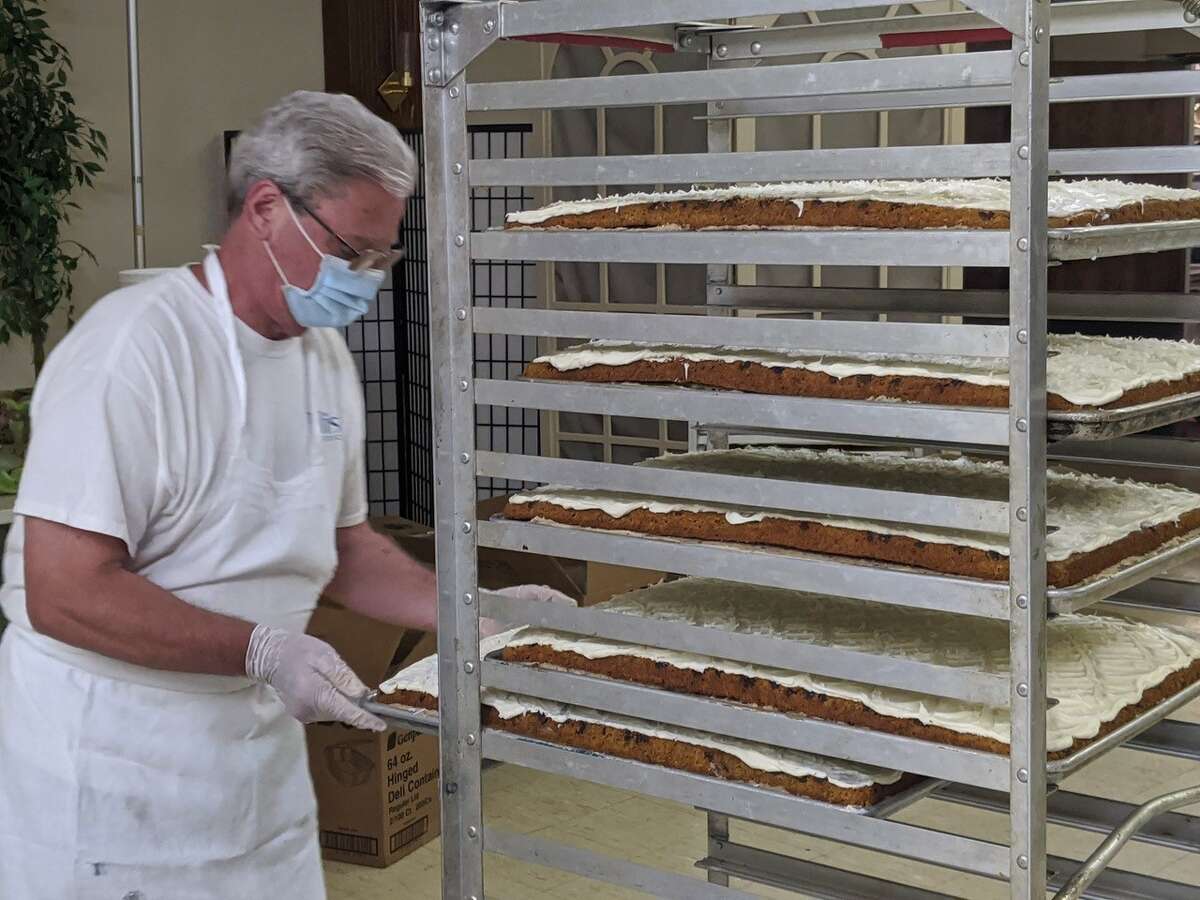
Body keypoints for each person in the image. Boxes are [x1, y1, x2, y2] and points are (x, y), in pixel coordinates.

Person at [0, 90, 567, 899]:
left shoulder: (321, 357)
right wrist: (264, 649)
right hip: (114, 785)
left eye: (383, 259)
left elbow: (339, 548)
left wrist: (471, 612)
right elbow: (63, 591)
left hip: (253, 777)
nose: (366, 281)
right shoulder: (135, 351)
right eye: (352, 252)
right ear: (266, 208)